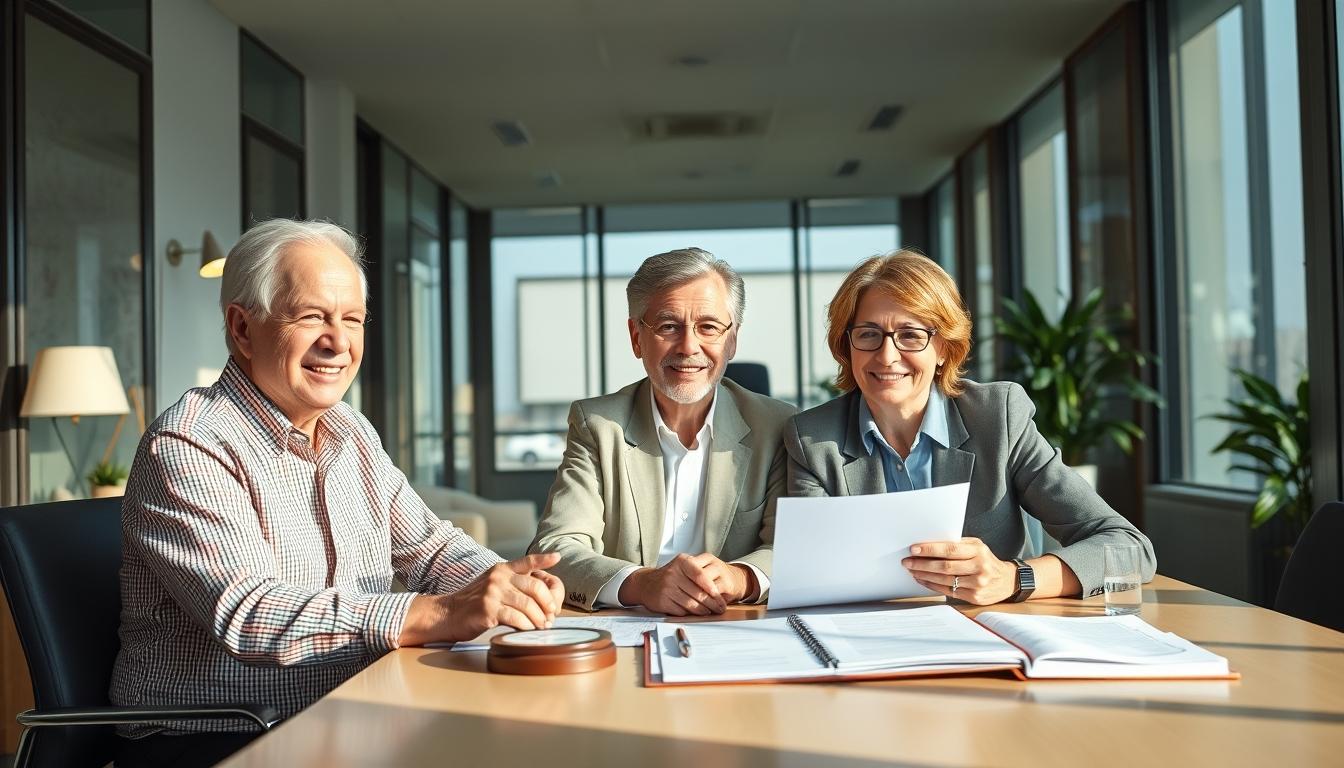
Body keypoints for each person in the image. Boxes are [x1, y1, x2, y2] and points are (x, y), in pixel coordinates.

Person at [110, 219, 564, 767]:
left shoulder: (351, 430)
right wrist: (435, 613)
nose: (339, 342)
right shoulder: (188, 443)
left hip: (352, 708)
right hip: (223, 734)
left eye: (352, 319)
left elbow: (430, 547)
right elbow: (249, 614)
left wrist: (507, 587)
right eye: (311, 317)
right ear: (242, 328)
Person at [784, 250, 1155, 605]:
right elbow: (810, 575)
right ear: (846, 345)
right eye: (868, 334)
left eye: (911, 335)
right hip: (870, 642)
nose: (887, 355)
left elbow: (1127, 546)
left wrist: (1012, 579)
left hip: (994, 635)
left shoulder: (998, 418)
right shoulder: (813, 440)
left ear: (944, 347)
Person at [529, 248, 796, 615]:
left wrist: (741, 577)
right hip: (629, 630)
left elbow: (794, 547)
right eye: (669, 326)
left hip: (738, 624)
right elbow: (555, 550)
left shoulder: (777, 426)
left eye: (708, 327)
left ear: (732, 340)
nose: (689, 347)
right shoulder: (597, 425)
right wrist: (641, 583)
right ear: (637, 337)